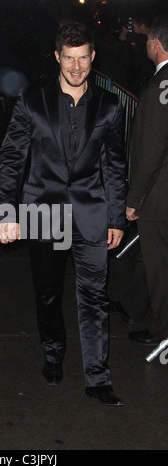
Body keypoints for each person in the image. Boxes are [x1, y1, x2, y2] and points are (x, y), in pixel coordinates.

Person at [0, 22, 126, 406]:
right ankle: (53, 354)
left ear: (92, 58)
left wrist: (117, 217)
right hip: (43, 211)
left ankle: (98, 377)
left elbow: (115, 166)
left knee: (94, 297)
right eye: (69, 58)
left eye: (83, 58)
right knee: (48, 294)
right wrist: (6, 211)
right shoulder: (32, 99)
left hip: (91, 212)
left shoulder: (110, 105)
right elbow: (14, 156)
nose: (76, 66)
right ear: (57, 57)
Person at [126, 14, 168, 347]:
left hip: (158, 197)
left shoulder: (159, 88)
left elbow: (152, 151)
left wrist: (134, 198)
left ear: (155, 42)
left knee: (160, 269)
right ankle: (141, 311)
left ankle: (163, 332)